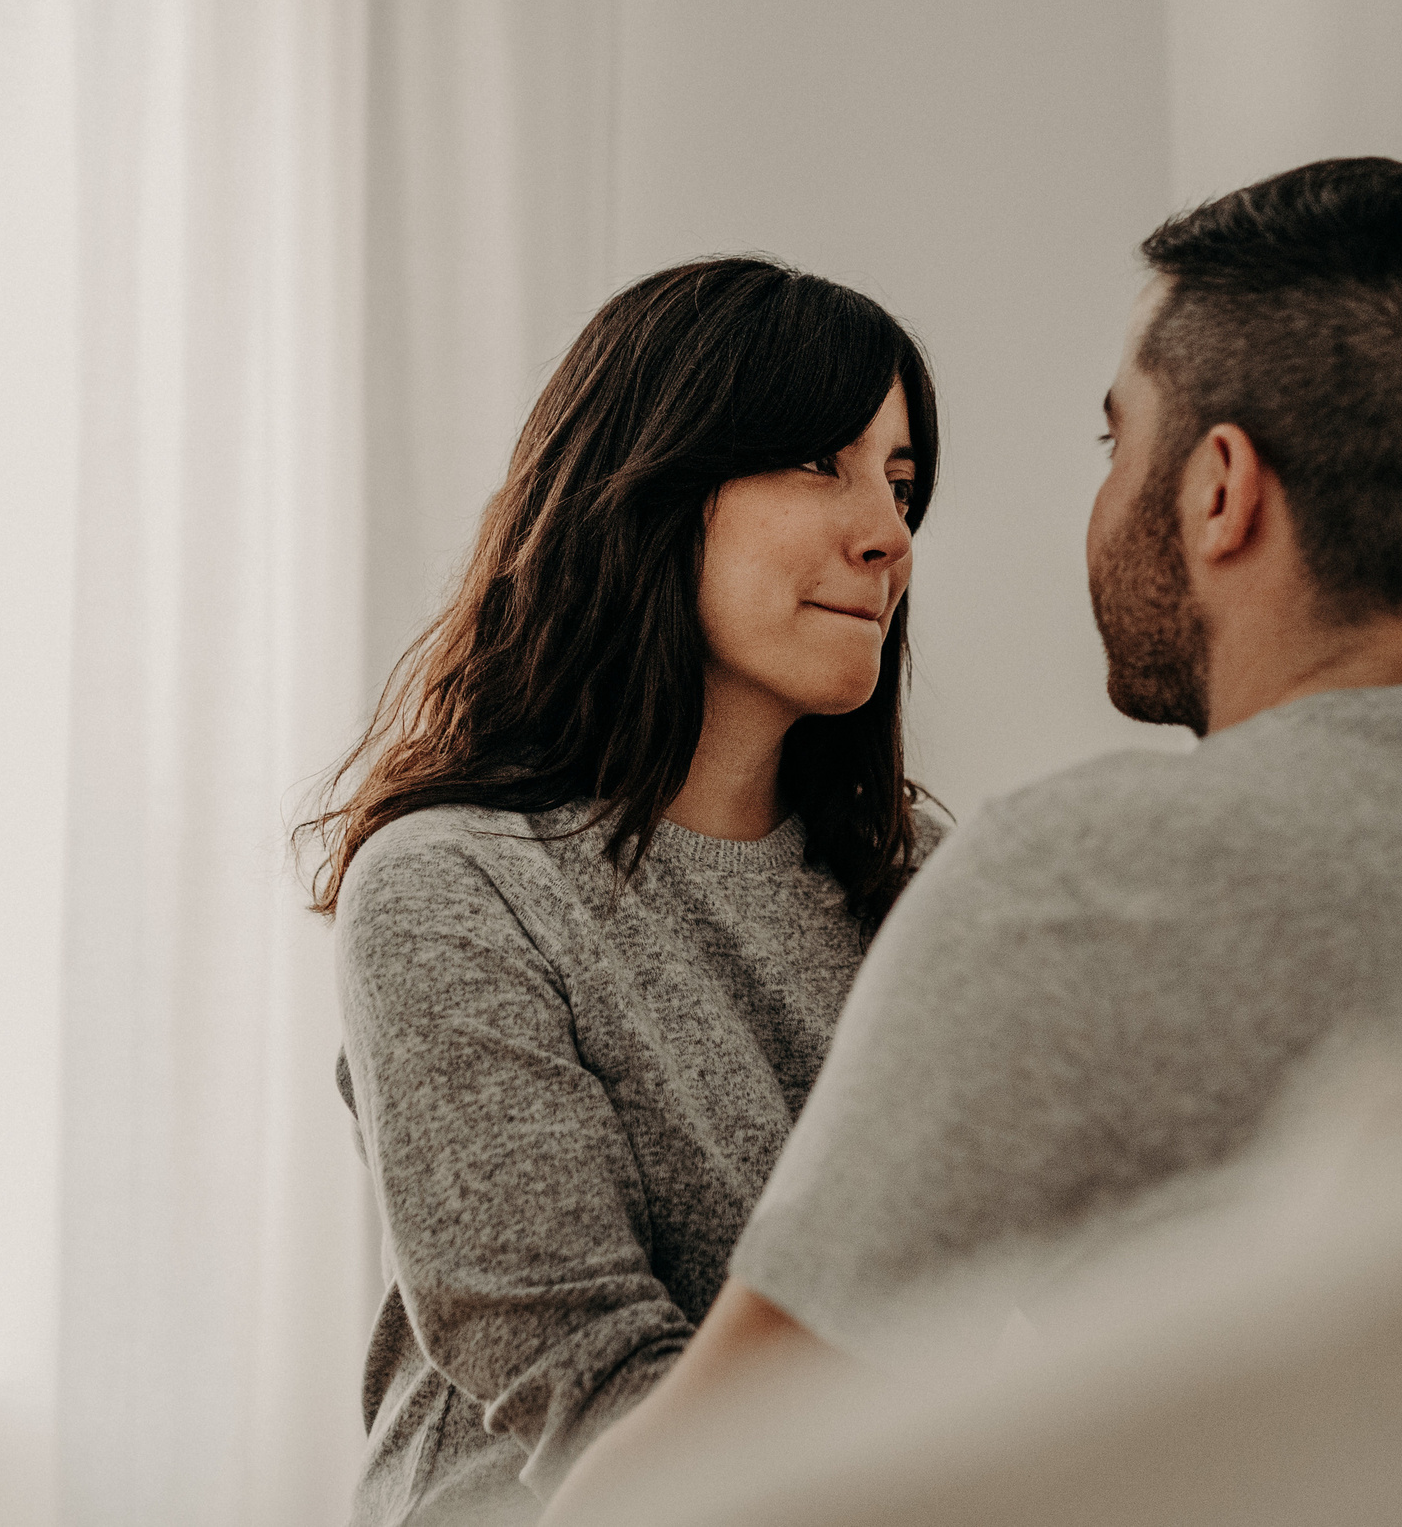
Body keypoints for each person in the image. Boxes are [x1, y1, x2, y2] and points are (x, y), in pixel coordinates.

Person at [544, 158, 1402, 1519]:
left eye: (1114, 442)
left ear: (1219, 488)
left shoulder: (1069, 889)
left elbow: (692, 1485)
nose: (897, 535)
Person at [309, 256, 946, 1526]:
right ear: (651, 489)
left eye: (901, 481)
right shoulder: (454, 888)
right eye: (820, 462)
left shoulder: (918, 874)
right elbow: (584, 1383)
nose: (886, 535)